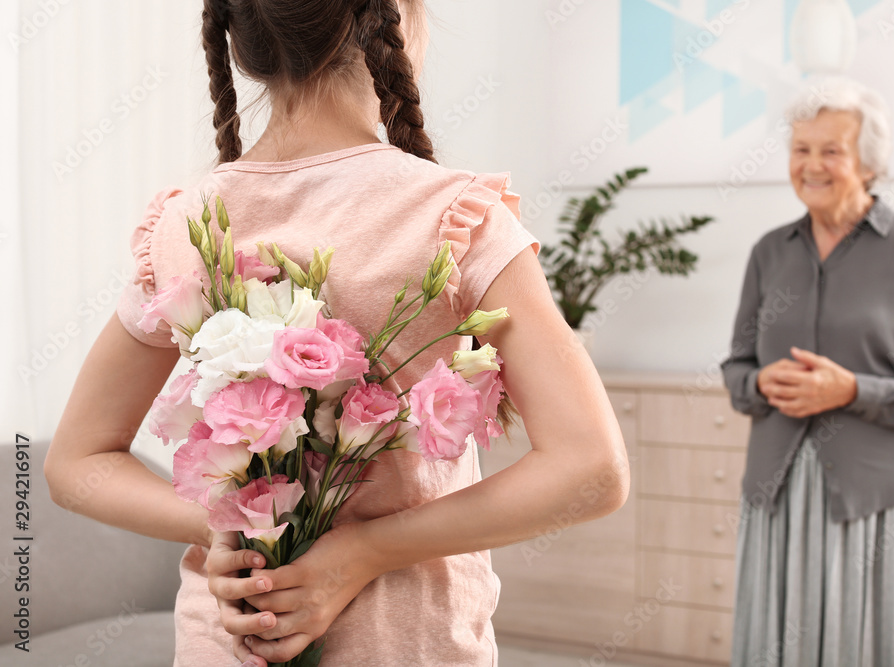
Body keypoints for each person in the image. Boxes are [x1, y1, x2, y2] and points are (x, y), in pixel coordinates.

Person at [43, 1, 629, 665]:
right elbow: (593, 468)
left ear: (238, 45)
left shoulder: (185, 224)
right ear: (398, 19)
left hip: (224, 641)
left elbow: (75, 463)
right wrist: (363, 550)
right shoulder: (456, 217)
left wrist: (229, 525)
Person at [722, 77, 894, 667]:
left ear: (868, 161)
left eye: (830, 150)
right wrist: (757, 383)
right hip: (779, 492)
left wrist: (852, 390)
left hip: (884, 496)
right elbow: (736, 367)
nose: (812, 165)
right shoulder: (769, 252)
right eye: (801, 149)